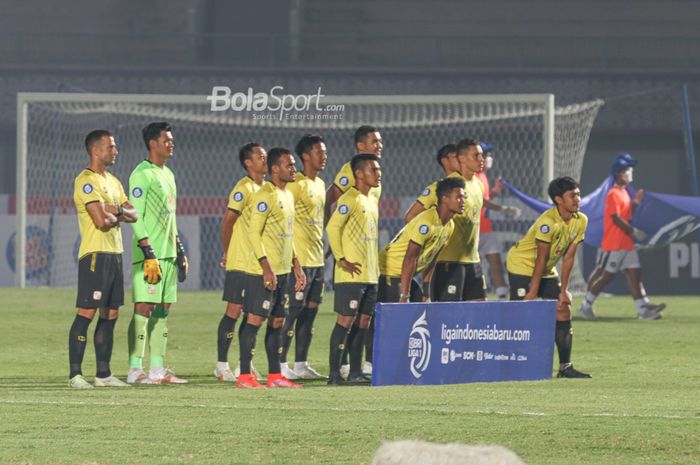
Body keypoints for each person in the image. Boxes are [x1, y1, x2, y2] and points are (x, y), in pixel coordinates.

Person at [68, 130, 137, 388]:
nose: (115, 151)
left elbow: (134, 214)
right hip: (95, 254)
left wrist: (115, 210)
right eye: (111, 147)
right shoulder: (86, 181)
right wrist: (115, 214)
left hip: (115, 254)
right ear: (96, 151)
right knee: (87, 311)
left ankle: (103, 375)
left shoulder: (114, 182)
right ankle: (75, 375)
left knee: (111, 313)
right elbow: (100, 221)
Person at [506, 176, 591, 378]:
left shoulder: (581, 220)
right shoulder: (547, 222)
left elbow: (569, 258)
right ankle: (513, 365)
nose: (577, 199)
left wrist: (564, 291)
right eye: (572, 195)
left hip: (545, 269)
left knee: (563, 309)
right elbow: (540, 258)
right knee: (521, 314)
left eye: (578, 194)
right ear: (558, 199)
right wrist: (533, 291)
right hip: (522, 265)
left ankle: (565, 367)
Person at [236, 148, 307, 389]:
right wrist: (266, 267)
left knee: (278, 321)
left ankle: (275, 375)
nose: (293, 168)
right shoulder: (265, 195)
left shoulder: (287, 194)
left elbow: (288, 234)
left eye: (294, 164)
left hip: (284, 271)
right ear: (275, 169)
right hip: (262, 273)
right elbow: (253, 233)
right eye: (289, 165)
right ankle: (245, 376)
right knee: (254, 320)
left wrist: (296, 264)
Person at [126, 122, 189, 384]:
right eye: (167, 140)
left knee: (163, 310)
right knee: (144, 308)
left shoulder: (169, 174)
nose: (171, 144)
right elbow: (134, 216)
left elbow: (171, 217)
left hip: (168, 254)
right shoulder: (141, 174)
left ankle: (157, 369)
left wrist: (179, 248)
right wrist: (147, 250)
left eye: (172, 140)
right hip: (149, 255)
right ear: (153, 143)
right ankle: (134, 369)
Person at [577, 153, 666, 320]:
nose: (630, 173)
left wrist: (636, 204)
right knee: (607, 276)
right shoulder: (613, 194)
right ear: (618, 173)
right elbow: (616, 218)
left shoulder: (624, 193)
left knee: (635, 275)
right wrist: (633, 231)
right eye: (627, 170)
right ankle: (585, 306)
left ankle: (642, 310)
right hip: (615, 243)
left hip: (626, 244)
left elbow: (627, 215)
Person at [325, 125, 383, 376]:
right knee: (345, 321)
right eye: (373, 170)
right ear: (359, 173)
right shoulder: (349, 199)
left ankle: (357, 371)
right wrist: (341, 259)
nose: (378, 173)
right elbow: (332, 228)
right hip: (351, 274)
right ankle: (335, 373)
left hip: (370, 273)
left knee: (363, 322)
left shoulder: (371, 198)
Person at [213, 143, 267, 382]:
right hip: (241, 262)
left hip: (258, 263)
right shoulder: (243, 188)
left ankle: (245, 364)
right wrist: (228, 252)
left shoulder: (267, 189)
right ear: (248, 162)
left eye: (265, 156)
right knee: (234, 311)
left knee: (255, 314)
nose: (264, 159)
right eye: (260, 156)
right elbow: (227, 222)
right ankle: (222, 364)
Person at [279, 135, 328, 380]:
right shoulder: (295, 184)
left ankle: (301, 364)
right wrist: (293, 259)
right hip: (299, 261)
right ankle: (280, 363)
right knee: (292, 312)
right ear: (306, 156)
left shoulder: (320, 184)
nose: (324, 156)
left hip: (317, 261)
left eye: (325, 152)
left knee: (310, 313)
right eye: (319, 152)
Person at [378, 177, 464, 303]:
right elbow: (410, 258)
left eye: (464, 197)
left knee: (420, 310)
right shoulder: (426, 223)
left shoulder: (450, 226)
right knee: (395, 319)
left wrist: (426, 292)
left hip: (402, 274)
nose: (463, 201)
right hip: (388, 273)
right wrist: (405, 295)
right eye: (459, 197)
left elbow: (432, 258)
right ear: (445, 199)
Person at [428, 138, 486, 302]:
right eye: (476, 156)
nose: (481, 159)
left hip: (473, 261)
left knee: (479, 314)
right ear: (462, 159)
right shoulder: (447, 185)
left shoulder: (479, 184)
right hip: (449, 261)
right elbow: (412, 215)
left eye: (482, 155)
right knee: (448, 318)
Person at [475, 142, 520, 300]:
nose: (489, 158)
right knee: (472, 268)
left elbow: (485, 199)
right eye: (486, 155)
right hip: (473, 230)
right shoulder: (473, 177)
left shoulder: (483, 176)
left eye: (489, 155)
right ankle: (474, 297)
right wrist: (504, 209)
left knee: (496, 262)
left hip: (486, 228)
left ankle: (502, 298)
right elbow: (481, 201)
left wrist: (494, 191)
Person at [403, 144, 460, 223]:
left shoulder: (473, 182)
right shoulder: (437, 188)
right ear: (445, 161)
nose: (461, 159)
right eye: (456, 156)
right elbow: (410, 217)